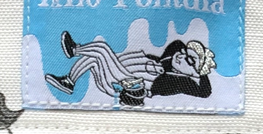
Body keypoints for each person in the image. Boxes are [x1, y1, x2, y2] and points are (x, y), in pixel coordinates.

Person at [46, 31, 215, 106]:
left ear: (194, 73)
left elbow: (205, 92)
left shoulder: (180, 83)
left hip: (124, 84)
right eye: (184, 52)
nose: (181, 56)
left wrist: (202, 72)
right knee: (94, 58)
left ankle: (75, 50)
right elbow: (176, 45)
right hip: (119, 73)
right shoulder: (167, 62)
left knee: (102, 49)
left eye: (189, 60)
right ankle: (69, 82)